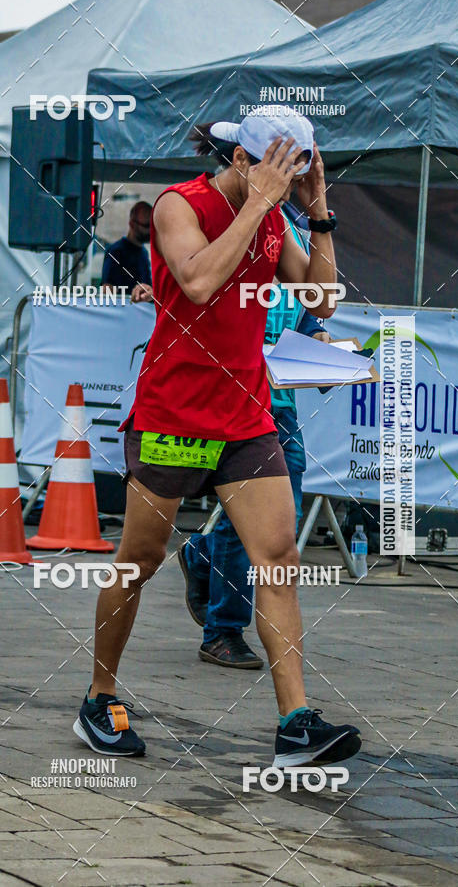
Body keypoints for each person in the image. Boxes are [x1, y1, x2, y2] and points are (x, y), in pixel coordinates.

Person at [74, 109, 361, 768]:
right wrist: (258, 204)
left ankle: (295, 723)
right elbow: (199, 282)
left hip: (245, 418)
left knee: (280, 556)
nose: (285, 185)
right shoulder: (182, 205)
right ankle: (99, 698)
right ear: (242, 161)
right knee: (138, 560)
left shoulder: (278, 213)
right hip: (175, 415)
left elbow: (321, 302)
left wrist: (316, 214)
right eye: (278, 173)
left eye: (296, 174)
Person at [180, 282, 330, 669]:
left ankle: (201, 556)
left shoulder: (295, 234)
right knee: (244, 520)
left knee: (283, 523)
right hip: (236, 401)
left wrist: (318, 337)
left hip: (280, 409)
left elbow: (308, 312)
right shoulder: (238, 233)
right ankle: (223, 630)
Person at [101, 201, 153, 302]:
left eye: (152, 225)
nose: (150, 230)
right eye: (147, 226)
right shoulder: (116, 251)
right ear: (132, 224)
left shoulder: (143, 253)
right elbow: (107, 291)